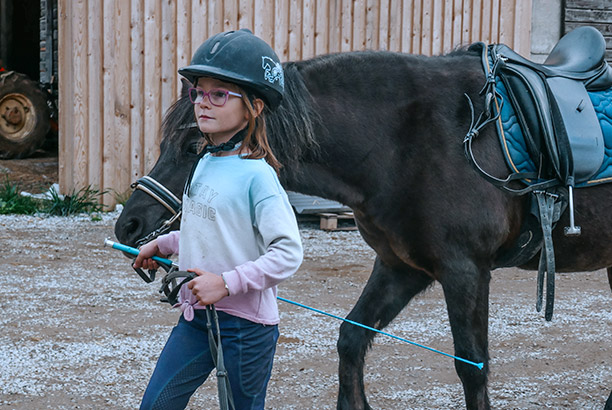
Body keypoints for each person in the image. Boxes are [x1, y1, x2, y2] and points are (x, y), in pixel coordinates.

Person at [133, 28, 303, 410]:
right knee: (156, 405)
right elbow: (211, 228)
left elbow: (288, 253)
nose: (203, 103)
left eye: (219, 94)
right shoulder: (205, 161)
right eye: (199, 92)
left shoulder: (259, 177)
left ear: (254, 107)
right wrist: (166, 243)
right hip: (196, 320)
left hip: (246, 330)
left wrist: (227, 283)